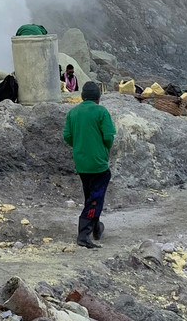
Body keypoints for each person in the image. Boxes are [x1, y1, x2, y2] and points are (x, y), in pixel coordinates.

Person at [62, 81, 115, 249]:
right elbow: (108, 136)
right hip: (98, 163)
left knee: (91, 196)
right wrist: (103, 148)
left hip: (81, 162)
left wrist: (80, 146)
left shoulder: (73, 112)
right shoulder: (101, 111)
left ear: (82, 97)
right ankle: (84, 234)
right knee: (95, 199)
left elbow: (67, 136)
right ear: (98, 98)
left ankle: (96, 228)